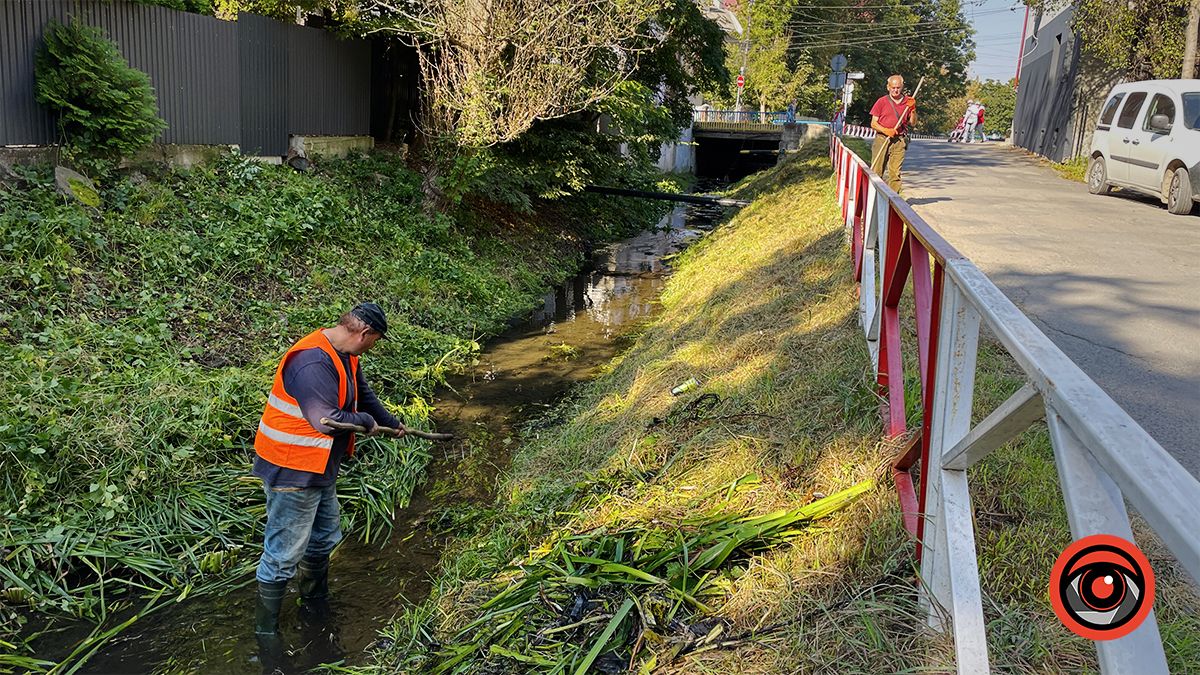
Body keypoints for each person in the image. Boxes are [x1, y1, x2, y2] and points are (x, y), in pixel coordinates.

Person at [252, 302, 407, 638]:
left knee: (323, 537)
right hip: (292, 470)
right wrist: (364, 422)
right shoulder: (311, 361)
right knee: (283, 554)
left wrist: (390, 423)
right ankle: (266, 633)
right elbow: (325, 420)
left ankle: (314, 601)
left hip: (319, 467)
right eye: (376, 340)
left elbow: (362, 394)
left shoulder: (346, 354)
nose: (374, 346)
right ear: (365, 333)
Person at [869, 74, 918, 193]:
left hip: (899, 141)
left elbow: (913, 123)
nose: (895, 90)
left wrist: (913, 109)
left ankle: (892, 199)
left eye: (898, 87)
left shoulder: (908, 102)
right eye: (893, 87)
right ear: (888, 87)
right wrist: (886, 130)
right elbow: (873, 123)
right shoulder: (882, 101)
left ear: (902, 87)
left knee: (895, 173)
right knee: (876, 170)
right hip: (882, 139)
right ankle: (874, 195)